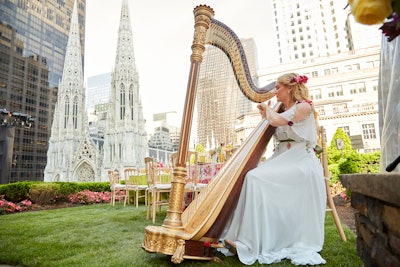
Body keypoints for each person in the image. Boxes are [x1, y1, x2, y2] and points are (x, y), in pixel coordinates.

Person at [221, 73, 327, 265]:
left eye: (278, 87)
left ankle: (252, 241)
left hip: (301, 164)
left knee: (255, 178)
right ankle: (245, 237)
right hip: (283, 159)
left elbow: (277, 121)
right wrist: (267, 113)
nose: (274, 91)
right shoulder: (281, 110)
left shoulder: (304, 106)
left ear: (290, 88)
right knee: (251, 176)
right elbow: (275, 121)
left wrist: (266, 111)